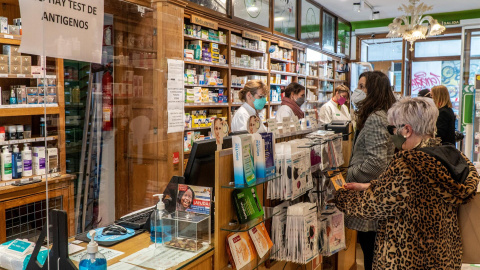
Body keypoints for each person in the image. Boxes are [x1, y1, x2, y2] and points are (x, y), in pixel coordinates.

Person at [335, 97, 479, 270]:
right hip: (443, 256)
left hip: (407, 257)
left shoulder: (409, 163)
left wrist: (340, 196)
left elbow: (373, 206)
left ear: (407, 130)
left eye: (393, 128)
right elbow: (411, 192)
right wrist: (371, 186)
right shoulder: (450, 156)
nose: (392, 134)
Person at [345, 71, 396, 270]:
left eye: (362, 86)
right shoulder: (385, 114)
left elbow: (376, 163)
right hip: (378, 195)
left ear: (373, 90)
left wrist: (351, 174)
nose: (357, 91)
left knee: (371, 253)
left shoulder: (376, 118)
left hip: (370, 197)